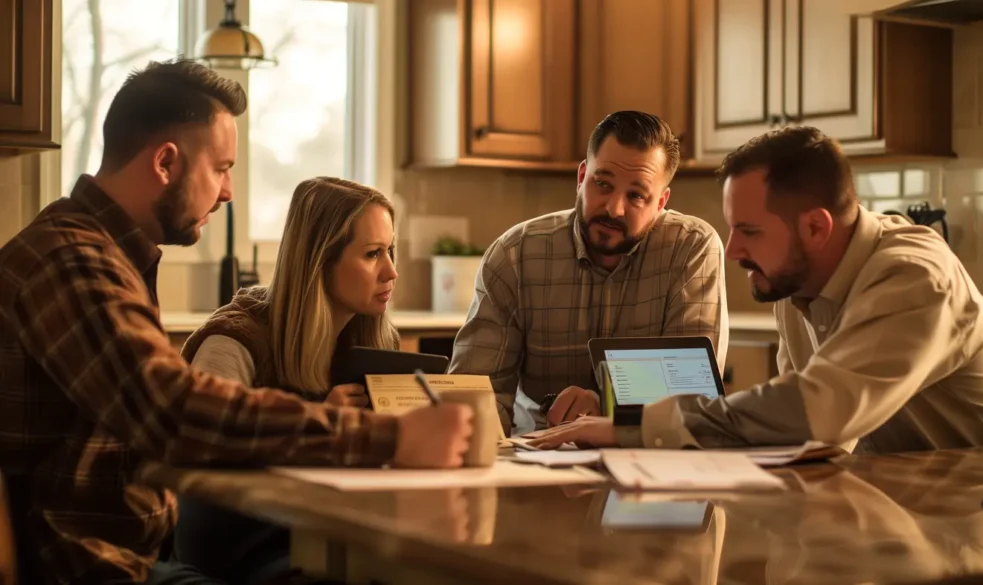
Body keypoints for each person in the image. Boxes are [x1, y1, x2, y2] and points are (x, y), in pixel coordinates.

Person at [0, 58, 473, 585]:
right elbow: (173, 410)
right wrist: (388, 438)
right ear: (166, 163)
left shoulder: (108, 255)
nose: (228, 192)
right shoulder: (72, 261)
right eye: (222, 168)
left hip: (136, 559)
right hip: (90, 568)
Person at [527, 125, 983, 453]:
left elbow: (811, 408)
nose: (731, 249)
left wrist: (630, 429)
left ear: (815, 228)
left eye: (750, 230)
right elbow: (800, 436)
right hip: (916, 494)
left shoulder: (913, 278)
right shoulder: (793, 281)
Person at [172, 177, 402, 585]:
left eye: (390, 251)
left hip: (336, 535)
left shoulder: (371, 342)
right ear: (319, 260)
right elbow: (203, 451)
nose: (391, 271)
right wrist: (320, 428)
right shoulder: (235, 341)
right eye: (372, 254)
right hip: (247, 547)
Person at [449, 110, 729, 436]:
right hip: (538, 451)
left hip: (650, 454)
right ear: (582, 177)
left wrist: (608, 406)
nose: (613, 208)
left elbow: (690, 395)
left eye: (636, 195)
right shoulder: (516, 255)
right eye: (602, 183)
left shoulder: (691, 248)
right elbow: (477, 390)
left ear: (661, 202)